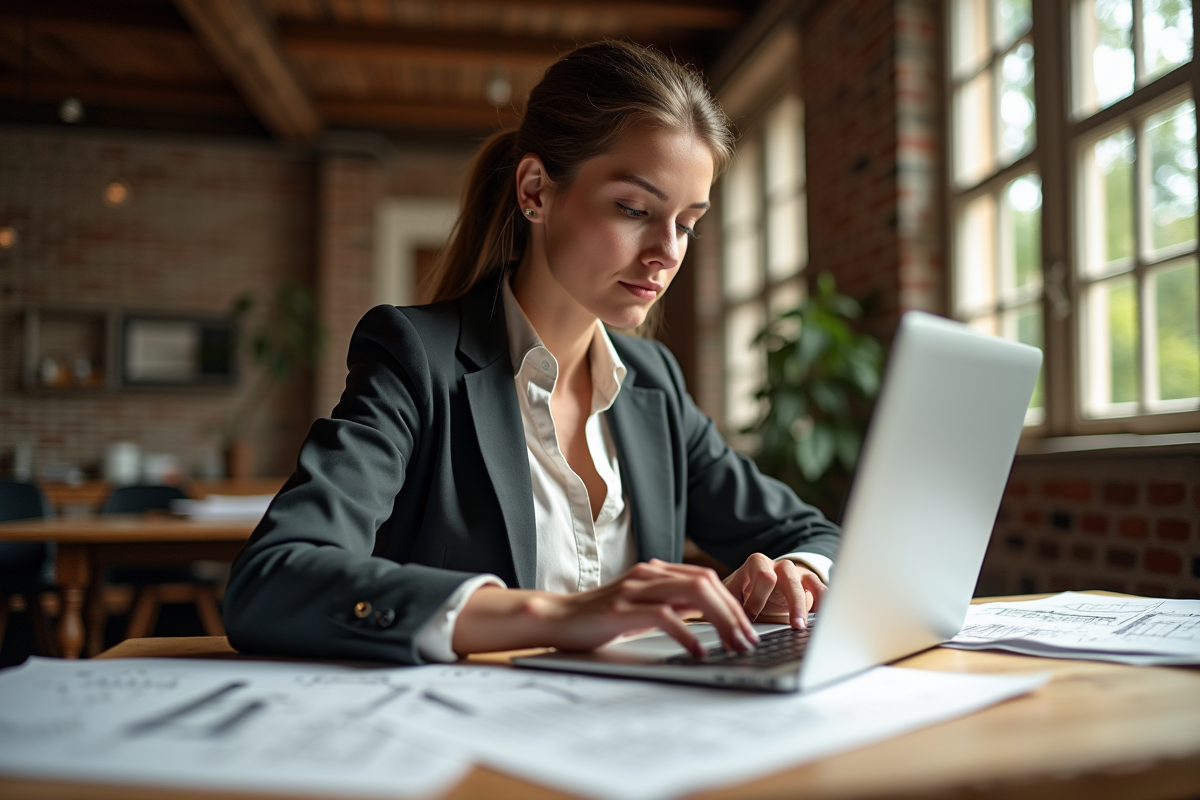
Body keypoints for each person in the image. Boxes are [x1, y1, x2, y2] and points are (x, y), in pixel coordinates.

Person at [223, 40, 840, 665]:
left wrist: (796, 575)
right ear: (536, 191)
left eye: (686, 223)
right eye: (634, 208)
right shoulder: (416, 358)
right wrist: (562, 614)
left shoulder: (653, 383)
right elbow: (274, 580)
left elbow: (817, 535)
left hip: (643, 735)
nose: (668, 251)